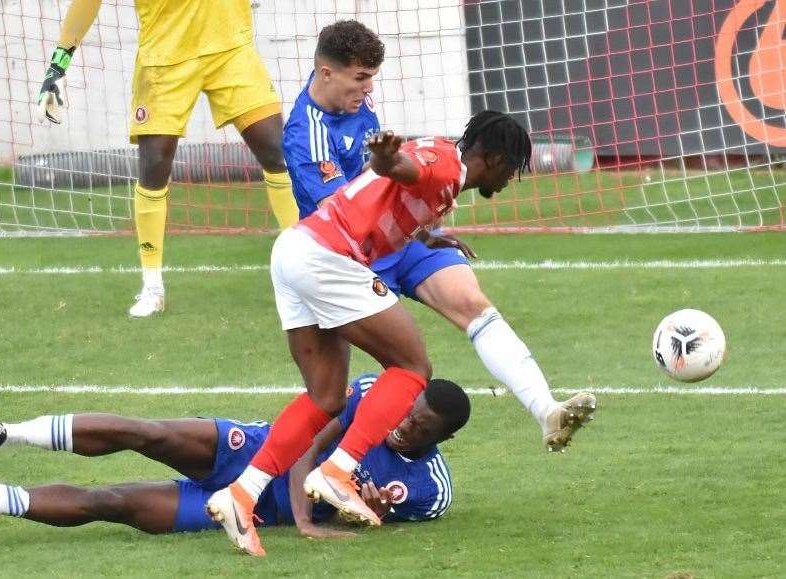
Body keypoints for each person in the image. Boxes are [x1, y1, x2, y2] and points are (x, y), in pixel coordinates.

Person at [206, 111, 596, 557]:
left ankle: (241, 494)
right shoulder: (450, 165)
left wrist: (427, 235)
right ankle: (338, 470)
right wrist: (387, 158)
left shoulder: (444, 166)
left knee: (325, 398)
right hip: (328, 257)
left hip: (295, 250)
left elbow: (396, 191)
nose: (512, 179)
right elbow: (404, 171)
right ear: (491, 157)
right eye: (512, 167)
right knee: (412, 367)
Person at [282, 20, 592, 454]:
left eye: (371, 78)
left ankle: (546, 410)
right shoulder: (305, 136)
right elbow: (348, 213)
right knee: (329, 397)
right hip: (345, 254)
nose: (367, 89)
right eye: (360, 78)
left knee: (473, 306)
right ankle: (300, 476)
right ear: (326, 72)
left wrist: (424, 230)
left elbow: (385, 180)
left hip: (404, 238)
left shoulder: (356, 103)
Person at [0, 375, 470, 537]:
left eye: (418, 427)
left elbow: (384, 517)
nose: (402, 425)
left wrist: (376, 511)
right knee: (147, 432)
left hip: (252, 508)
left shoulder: (431, 488)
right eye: (407, 413)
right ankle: (3, 435)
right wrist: (307, 520)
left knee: (112, 502)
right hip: (254, 453)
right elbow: (311, 440)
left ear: (438, 437)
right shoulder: (382, 390)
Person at [35, 0, 300, 317]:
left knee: (278, 152)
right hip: (165, 57)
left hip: (230, 48)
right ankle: (152, 286)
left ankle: (301, 270)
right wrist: (59, 63)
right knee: (154, 166)